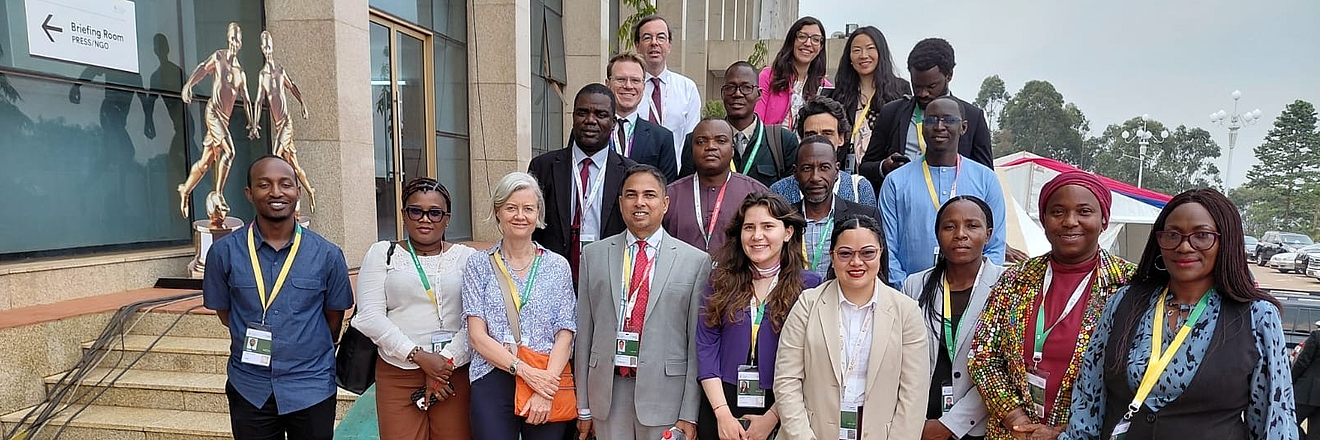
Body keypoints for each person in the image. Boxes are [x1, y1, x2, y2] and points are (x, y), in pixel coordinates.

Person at [1060, 188, 1297, 440]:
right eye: (1172, 235)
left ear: (1226, 241)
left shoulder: (1257, 316)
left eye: (1202, 236)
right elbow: (1088, 399)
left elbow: (1274, 420)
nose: (1184, 246)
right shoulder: (1123, 302)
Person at [967, 171, 1136, 440]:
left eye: (1084, 212)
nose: (1070, 222)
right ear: (1044, 220)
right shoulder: (1015, 279)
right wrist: (1017, 421)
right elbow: (983, 355)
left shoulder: (1130, 285)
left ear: (1104, 220)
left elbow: (1135, 376)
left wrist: (1067, 432)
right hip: (1012, 433)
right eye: (1058, 211)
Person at [202, 155, 354, 440]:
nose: (276, 192)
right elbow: (225, 312)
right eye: (264, 185)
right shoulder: (223, 253)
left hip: (310, 384)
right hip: (249, 385)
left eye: (286, 184)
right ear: (249, 193)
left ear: (298, 191)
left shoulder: (327, 255)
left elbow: (334, 318)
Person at [575, 164, 709, 440]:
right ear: (621, 202)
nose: (640, 202)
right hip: (607, 395)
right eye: (631, 195)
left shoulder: (695, 261)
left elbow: (697, 345)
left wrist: (689, 412)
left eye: (649, 195)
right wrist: (583, 407)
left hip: (666, 397)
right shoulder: (594, 256)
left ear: (665, 203)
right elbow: (584, 335)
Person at [775, 214, 928, 440]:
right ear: (832, 256)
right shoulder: (808, 303)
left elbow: (914, 393)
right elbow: (786, 379)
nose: (856, 262)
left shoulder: (906, 311)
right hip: (810, 432)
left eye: (867, 253)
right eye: (845, 254)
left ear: (880, 254)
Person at [353, 178, 478, 439]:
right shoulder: (382, 254)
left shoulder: (467, 258)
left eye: (435, 212)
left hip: (452, 373)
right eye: (415, 211)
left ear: (447, 219)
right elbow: (369, 317)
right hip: (397, 372)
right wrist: (420, 356)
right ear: (404, 215)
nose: (425, 219)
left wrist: (444, 364)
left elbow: (477, 319)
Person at [696, 191, 823, 440]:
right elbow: (706, 345)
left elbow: (811, 359)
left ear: (787, 232)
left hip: (783, 402)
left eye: (768, 226)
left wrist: (772, 419)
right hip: (722, 400)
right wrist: (722, 414)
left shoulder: (810, 286)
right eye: (749, 227)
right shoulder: (720, 279)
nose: (757, 236)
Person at [463, 172, 577, 440]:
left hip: (547, 373)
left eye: (528, 208)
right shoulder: (478, 264)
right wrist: (524, 371)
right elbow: (477, 336)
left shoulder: (557, 266)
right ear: (498, 212)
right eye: (511, 208)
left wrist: (545, 386)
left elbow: (566, 333)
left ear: (539, 214)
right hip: (492, 373)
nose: (520, 216)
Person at [902, 196, 1005, 440]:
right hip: (921, 424)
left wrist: (950, 425)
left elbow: (1002, 368)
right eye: (950, 226)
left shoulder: (1006, 285)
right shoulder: (915, 285)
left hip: (979, 427)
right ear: (938, 234)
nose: (960, 234)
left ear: (988, 234)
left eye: (972, 225)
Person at [880, 96, 1006, 288]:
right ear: (922, 128)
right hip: (910, 298)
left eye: (949, 120)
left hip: (973, 297)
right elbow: (887, 249)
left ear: (963, 127)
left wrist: (976, 290)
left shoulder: (985, 179)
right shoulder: (895, 182)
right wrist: (907, 291)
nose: (939, 126)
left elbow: (995, 247)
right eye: (931, 120)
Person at [529, 83, 637, 282]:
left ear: (613, 122)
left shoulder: (631, 173)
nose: (590, 120)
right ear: (573, 118)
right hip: (551, 278)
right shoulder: (543, 167)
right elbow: (532, 227)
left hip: (610, 278)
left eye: (600, 114)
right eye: (582, 113)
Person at [857, 38, 992, 190]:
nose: (923, 93)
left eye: (931, 86)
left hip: (954, 207)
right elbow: (865, 167)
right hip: (902, 202)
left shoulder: (973, 117)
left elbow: (985, 177)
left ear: (949, 76)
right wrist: (884, 167)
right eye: (917, 86)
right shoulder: (892, 113)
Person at [177, 22, 257, 225]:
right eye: (231, 38)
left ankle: (185, 189)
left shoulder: (240, 73)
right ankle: (218, 194)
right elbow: (203, 69)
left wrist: (253, 123)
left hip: (225, 120)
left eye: (237, 39)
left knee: (205, 163)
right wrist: (188, 85)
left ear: (240, 43)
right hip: (213, 113)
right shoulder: (219, 57)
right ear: (227, 39)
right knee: (230, 151)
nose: (233, 42)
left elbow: (246, 100)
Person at [680, 61, 799, 188]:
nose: (737, 94)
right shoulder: (698, 141)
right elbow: (686, 190)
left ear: (759, 94)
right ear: (722, 94)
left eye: (746, 87)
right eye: (730, 87)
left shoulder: (783, 142)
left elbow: (790, 197)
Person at [663, 118, 770, 254]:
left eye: (721, 141)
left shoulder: (756, 193)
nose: (710, 146)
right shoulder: (669, 196)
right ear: (691, 149)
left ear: (732, 150)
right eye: (701, 141)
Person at [789, 135, 883, 278]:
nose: (815, 177)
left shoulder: (865, 217)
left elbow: (879, 275)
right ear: (795, 173)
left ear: (837, 171)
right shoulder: (783, 219)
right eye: (807, 168)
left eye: (824, 168)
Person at [769, 96, 877, 207]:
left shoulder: (858, 189)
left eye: (827, 133)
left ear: (841, 138)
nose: (819, 141)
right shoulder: (779, 191)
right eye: (811, 134)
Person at [251, 30, 315, 216]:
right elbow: (258, 101)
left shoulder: (279, 70)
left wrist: (302, 104)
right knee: (294, 165)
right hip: (278, 124)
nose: (267, 48)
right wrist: (255, 123)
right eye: (264, 45)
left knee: (275, 158)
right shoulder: (263, 75)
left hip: (286, 123)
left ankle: (286, 199)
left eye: (268, 44)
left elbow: (292, 87)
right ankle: (310, 191)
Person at [829, 26, 911, 168]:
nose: (863, 55)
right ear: (849, 57)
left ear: (881, 52)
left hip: (887, 171)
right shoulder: (839, 94)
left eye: (870, 48)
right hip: (847, 172)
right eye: (856, 50)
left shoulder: (900, 89)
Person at [633, 15, 702, 163]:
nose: (654, 43)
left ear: (669, 44)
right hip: (633, 174)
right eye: (647, 38)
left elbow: (692, 140)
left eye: (661, 37)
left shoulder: (687, 88)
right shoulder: (628, 89)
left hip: (674, 176)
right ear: (637, 45)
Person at [606, 52, 679, 182]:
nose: (628, 86)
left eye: (635, 80)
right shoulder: (590, 130)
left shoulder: (662, 138)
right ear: (608, 84)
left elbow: (668, 189)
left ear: (643, 86)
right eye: (621, 79)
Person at [754, 16, 831, 129]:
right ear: (792, 40)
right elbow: (756, 121)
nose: (808, 43)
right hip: (771, 144)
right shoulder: (768, 77)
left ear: (821, 46)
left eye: (815, 39)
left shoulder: (825, 87)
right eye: (802, 37)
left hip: (808, 146)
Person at [1295, 324, 1320, 439]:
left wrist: (1290, 380)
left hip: (1306, 390)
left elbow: (1302, 362)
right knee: (1316, 433)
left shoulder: (1316, 336)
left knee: (1290, 420)